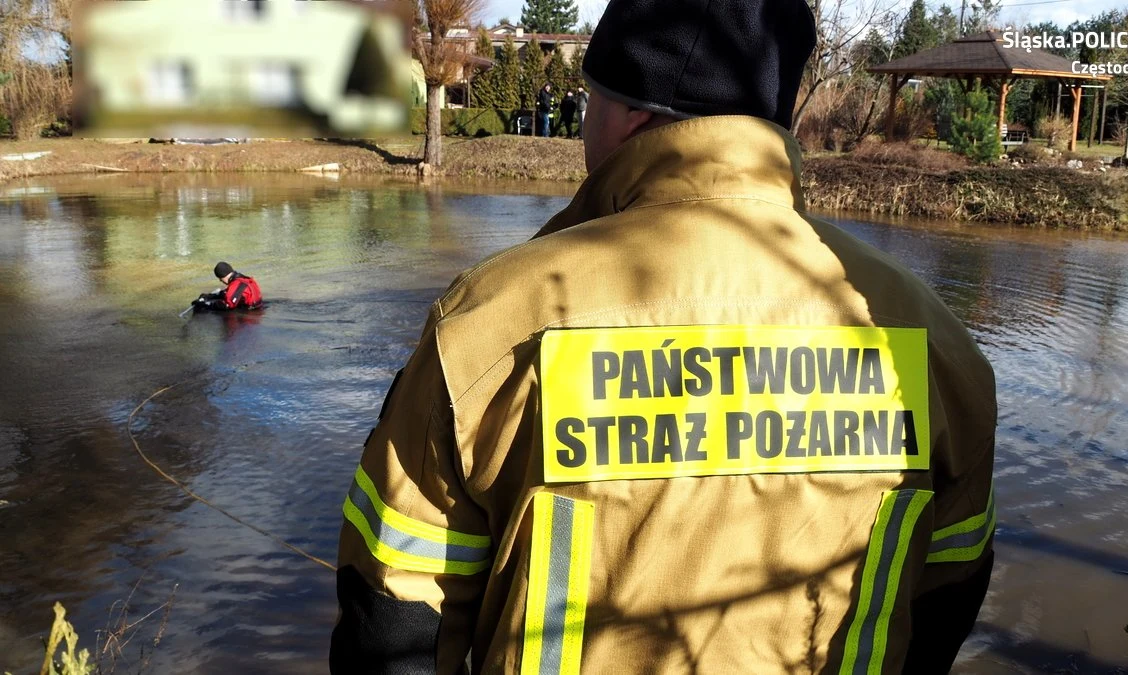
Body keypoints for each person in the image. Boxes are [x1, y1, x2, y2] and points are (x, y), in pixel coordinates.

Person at [331, 0, 996, 672]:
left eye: (593, 99)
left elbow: (394, 617)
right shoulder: (934, 340)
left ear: (629, 114)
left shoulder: (489, 324)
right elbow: (947, 600)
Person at [191, 261, 263, 311]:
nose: (220, 281)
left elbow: (226, 305)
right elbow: (228, 293)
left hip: (251, 314)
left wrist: (204, 304)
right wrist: (210, 296)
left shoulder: (236, 285)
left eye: (220, 279)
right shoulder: (243, 279)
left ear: (223, 276)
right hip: (256, 308)